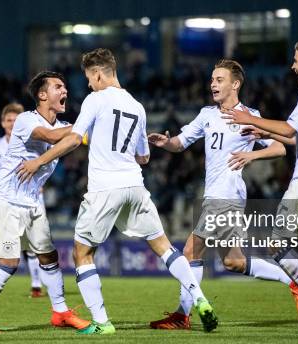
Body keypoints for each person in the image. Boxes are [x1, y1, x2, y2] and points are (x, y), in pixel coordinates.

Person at [16, 48, 218, 335]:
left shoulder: (95, 99)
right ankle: (200, 298)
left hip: (104, 188)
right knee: (164, 247)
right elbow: (144, 158)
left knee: (82, 253)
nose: (88, 84)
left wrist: (39, 160)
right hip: (135, 186)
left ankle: (102, 323)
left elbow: (74, 139)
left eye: (89, 77)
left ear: (98, 73)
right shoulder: (137, 105)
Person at [148, 59, 298, 330]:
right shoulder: (207, 114)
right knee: (234, 261)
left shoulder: (248, 115)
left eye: (219, 79)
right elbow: (181, 142)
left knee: (190, 250)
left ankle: (182, 315)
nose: (213, 84)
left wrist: (251, 155)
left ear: (235, 84)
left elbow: (280, 148)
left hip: (227, 196)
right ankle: (291, 280)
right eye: (212, 79)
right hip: (214, 196)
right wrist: (166, 143)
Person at [221, 38, 298, 337]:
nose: (293, 66)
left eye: (296, 60)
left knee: (277, 244)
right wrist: (262, 129)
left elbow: (289, 129)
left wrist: (249, 118)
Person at [0, 71, 89, 334]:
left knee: (49, 256)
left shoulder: (61, 127)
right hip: (6, 200)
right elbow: (52, 137)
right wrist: (87, 123)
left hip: (32, 202)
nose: (65, 90)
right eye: (58, 87)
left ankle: (61, 313)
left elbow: (76, 139)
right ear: (42, 95)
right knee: (9, 263)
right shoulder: (25, 120)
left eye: (65, 86)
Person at [0, 103, 45, 298]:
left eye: (16, 120)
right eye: (9, 120)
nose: (12, 124)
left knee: (34, 245)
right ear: (2, 123)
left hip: (31, 198)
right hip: (6, 200)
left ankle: (36, 285)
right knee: (8, 251)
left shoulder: (32, 141)